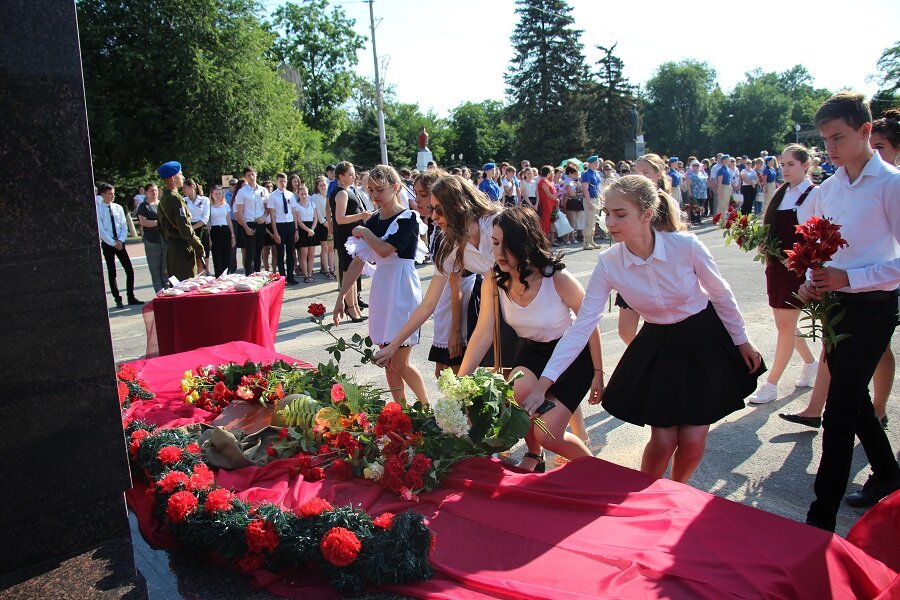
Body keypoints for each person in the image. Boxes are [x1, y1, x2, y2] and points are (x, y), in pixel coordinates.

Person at [521, 175, 764, 483]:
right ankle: (644, 498)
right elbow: (582, 326)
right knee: (662, 441)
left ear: (647, 214)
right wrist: (544, 383)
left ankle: (676, 496)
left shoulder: (685, 245)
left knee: (692, 441)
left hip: (704, 340)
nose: (609, 221)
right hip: (659, 346)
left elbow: (721, 293)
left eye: (620, 214)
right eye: (606, 213)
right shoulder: (609, 262)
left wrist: (741, 340)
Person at [796, 92, 900, 532]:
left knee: (838, 413)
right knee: (852, 401)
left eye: (838, 137)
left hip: (875, 307)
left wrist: (849, 279)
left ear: (866, 131)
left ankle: (820, 519)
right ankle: (890, 474)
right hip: (836, 309)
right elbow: (816, 252)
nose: (830, 149)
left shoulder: (891, 184)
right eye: (824, 141)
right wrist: (811, 279)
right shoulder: (829, 190)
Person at [458, 207, 602, 470]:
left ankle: (594, 470)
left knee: (548, 434)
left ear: (525, 243)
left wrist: (598, 372)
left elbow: (589, 324)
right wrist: (460, 383)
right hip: (533, 351)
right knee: (517, 393)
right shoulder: (494, 277)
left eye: (507, 246)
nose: (498, 254)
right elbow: (482, 333)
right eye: (495, 243)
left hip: (571, 356)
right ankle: (534, 455)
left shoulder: (556, 276)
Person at [375, 175, 519, 370]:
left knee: (524, 379)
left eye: (439, 210)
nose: (433, 217)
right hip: (498, 302)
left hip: (529, 302)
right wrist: (393, 346)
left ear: (457, 206)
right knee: (506, 377)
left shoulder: (497, 224)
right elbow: (429, 304)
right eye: (432, 209)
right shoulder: (450, 245)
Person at [333, 165, 429, 404]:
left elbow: (385, 250)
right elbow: (357, 262)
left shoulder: (408, 218)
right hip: (382, 289)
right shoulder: (374, 220)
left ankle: (426, 407)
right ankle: (401, 413)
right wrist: (341, 297)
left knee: (399, 361)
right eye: (371, 189)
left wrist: (365, 231)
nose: (375, 195)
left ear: (395, 188)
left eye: (380, 189)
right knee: (388, 363)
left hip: (402, 289)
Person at [746, 144, 819, 405]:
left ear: (805, 165)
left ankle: (771, 384)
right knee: (784, 325)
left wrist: (809, 270)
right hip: (776, 267)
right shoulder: (781, 193)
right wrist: (763, 242)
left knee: (785, 327)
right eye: (783, 164)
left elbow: (818, 238)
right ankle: (811, 363)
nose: (785, 169)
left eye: (791, 164)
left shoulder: (814, 194)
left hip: (797, 270)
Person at [616, 154, 686, 345]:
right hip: (632, 268)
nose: (640, 177)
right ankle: (648, 357)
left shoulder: (667, 202)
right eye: (636, 173)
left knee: (666, 323)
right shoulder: (626, 202)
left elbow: (677, 235)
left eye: (645, 172)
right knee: (625, 331)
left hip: (661, 269)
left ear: (658, 174)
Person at [414, 170, 476, 377]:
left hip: (458, 301)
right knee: (442, 372)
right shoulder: (435, 227)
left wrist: (455, 330)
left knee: (455, 373)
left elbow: (456, 283)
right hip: (445, 301)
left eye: (423, 195)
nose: (417, 200)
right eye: (416, 193)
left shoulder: (447, 232)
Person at [329, 161, 371, 322]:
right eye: (350, 174)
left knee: (353, 273)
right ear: (341, 176)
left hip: (353, 236)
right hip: (346, 237)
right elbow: (339, 219)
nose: (354, 176)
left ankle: (354, 306)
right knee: (347, 272)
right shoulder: (341, 193)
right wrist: (361, 216)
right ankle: (350, 307)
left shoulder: (349, 190)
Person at [156, 161, 205, 281]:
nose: (182, 177)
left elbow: (160, 228)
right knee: (187, 287)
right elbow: (185, 229)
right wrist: (199, 247)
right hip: (182, 250)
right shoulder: (176, 199)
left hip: (172, 249)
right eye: (180, 174)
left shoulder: (163, 199)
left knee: (177, 287)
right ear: (173, 178)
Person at [96, 183, 143, 308]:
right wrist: (112, 243)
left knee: (129, 270)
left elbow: (123, 225)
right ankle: (117, 299)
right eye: (110, 193)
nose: (113, 196)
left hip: (120, 243)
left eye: (113, 193)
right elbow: (101, 229)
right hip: (108, 244)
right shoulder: (98, 209)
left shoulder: (118, 208)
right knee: (112, 272)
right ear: (103, 194)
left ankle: (131, 296)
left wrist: (121, 241)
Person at [234, 166, 268, 274]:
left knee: (259, 252)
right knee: (250, 253)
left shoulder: (263, 190)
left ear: (256, 174)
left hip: (260, 222)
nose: (251, 177)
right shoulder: (242, 192)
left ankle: (257, 274)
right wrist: (245, 227)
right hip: (248, 223)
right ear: (245, 177)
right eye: (248, 175)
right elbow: (239, 211)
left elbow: (268, 208)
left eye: (253, 174)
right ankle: (249, 275)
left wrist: (264, 217)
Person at [267, 173, 299, 285]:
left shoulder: (290, 194)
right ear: (276, 182)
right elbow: (272, 215)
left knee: (291, 252)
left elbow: (294, 212)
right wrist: (275, 232)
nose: (283, 183)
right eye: (281, 181)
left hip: (290, 224)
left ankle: (291, 276)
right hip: (279, 225)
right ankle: (282, 277)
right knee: (280, 253)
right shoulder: (273, 196)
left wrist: (296, 229)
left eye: (284, 181)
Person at [136, 182, 166, 293]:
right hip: (152, 241)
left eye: (156, 190)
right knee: (155, 268)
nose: (154, 193)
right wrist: (159, 223)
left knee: (165, 268)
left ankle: (167, 290)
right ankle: (159, 292)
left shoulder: (161, 204)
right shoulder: (144, 206)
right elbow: (144, 222)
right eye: (151, 191)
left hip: (164, 239)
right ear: (146, 193)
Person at [308, 175, 333, 279]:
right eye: (321, 185)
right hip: (323, 225)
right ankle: (326, 270)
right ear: (317, 186)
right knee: (325, 248)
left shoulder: (330, 195)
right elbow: (317, 212)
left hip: (331, 223)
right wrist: (324, 222)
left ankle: (332, 269)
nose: (323, 187)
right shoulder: (315, 197)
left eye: (324, 185)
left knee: (331, 247)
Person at [293, 183, 319, 283]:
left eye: (306, 194)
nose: (304, 196)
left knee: (311, 255)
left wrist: (312, 229)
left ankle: (310, 274)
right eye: (302, 194)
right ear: (298, 194)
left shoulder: (312, 204)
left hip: (312, 229)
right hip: (303, 230)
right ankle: (305, 275)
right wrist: (308, 230)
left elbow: (315, 218)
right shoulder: (297, 206)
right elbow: (298, 221)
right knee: (304, 255)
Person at [208, 185, 235, 277]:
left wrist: (232, 235)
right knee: (217, 257)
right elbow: (208, 223)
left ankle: (226, 277)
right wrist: (209, 238)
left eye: (220, 193)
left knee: (227, 256)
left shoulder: (226, 206)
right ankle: (218, 277)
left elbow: (229, 220)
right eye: (216, 193)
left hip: (225, 230)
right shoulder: (209, 207)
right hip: (215, 231)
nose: (218, 195)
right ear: (212, 194)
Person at [182, 179, 210, 267]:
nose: (183, 190)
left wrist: (192, 228)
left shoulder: (204, 200)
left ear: (192, 187)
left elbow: (205, 218)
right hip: (189, 230)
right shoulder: (183, 201)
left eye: (185, 188)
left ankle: (204, 273)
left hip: (201, 228)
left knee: (203, 254)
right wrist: (189, 228)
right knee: (192, 255)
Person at [580, 156, 602, 250]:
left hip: (597, 198)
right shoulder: (586, 173)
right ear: (590, 163)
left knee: (594, 221)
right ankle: (585, 242)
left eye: (597, 163)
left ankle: (591, 240)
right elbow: (585, 189)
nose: (597, 164)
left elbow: (599, 187)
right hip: (590, 199)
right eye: (595, 163)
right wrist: (589, 202)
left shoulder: (596, 173)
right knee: (589, 221)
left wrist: (601, 199)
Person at [536, 165, 558, 241]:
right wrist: (557, 200)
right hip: (546, 204)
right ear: (548, 172)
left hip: (551, 204)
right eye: (551, 171)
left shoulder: (547, 181)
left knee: (551, 221)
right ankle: (544, 240)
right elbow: (548, 193)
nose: (552, 173)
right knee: (546, 222)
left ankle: (549, 240)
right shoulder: (543, 181)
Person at [688, 160, 708, 224]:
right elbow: (688, 184)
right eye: (694, 165)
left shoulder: (701, 173)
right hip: (695, 192)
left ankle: (698, 219)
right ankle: (694, 220)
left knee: (700, 206)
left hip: (702, 193)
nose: (696, 167)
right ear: (692, 166)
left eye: (697, 165)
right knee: (695, 206)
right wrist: (690, 192)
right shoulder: (690, 174)